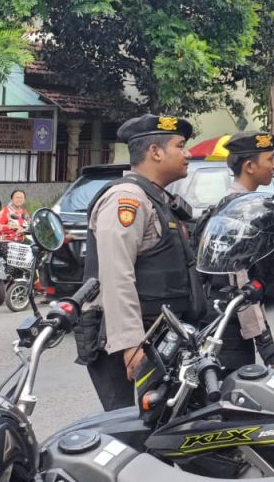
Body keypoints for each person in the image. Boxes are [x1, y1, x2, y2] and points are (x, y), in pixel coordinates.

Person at [75, 114, 202, 410]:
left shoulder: (157, 198)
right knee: (132, 435)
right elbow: (116, 276)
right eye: (180, 146)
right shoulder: (126, 199)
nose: (188, 154)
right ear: (155, 152)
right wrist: (130, 344)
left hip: (159, 337)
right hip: (134, 345)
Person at [195, 130, 274, 371]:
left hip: (219, 321)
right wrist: (266, 344)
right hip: (230, 331)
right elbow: (240, 282)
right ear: (249, 166)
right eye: (270, 159)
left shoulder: (228, 206)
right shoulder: (241, 215)